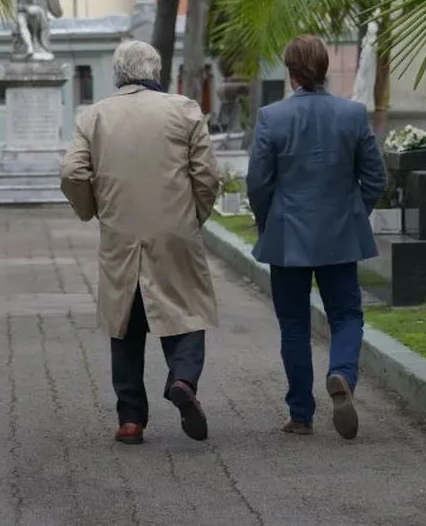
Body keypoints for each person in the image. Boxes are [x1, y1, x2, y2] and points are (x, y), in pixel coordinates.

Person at [60, 40, 221, 445]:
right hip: (175, 230)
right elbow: (206, 176)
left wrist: (95, 210)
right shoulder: (183, 109)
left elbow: (72, 174)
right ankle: (183, 378)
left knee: (124, 322)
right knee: (186, 307)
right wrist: (194, 216)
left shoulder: (93, 116)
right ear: (156, 71)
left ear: (118, 75)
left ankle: (131, 420)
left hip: (121, 232)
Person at [246, 34, 386, 439]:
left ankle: (301, 414)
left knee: (293, 325)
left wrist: (266, 220)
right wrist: (353, 212)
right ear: (324, 69)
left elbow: (258, 182)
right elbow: (375, 176)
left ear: (291, 74)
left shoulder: (272, 118)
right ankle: (342, 375)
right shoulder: (353, 115)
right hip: (340, 236)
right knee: (346, 315)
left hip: (287, 237)